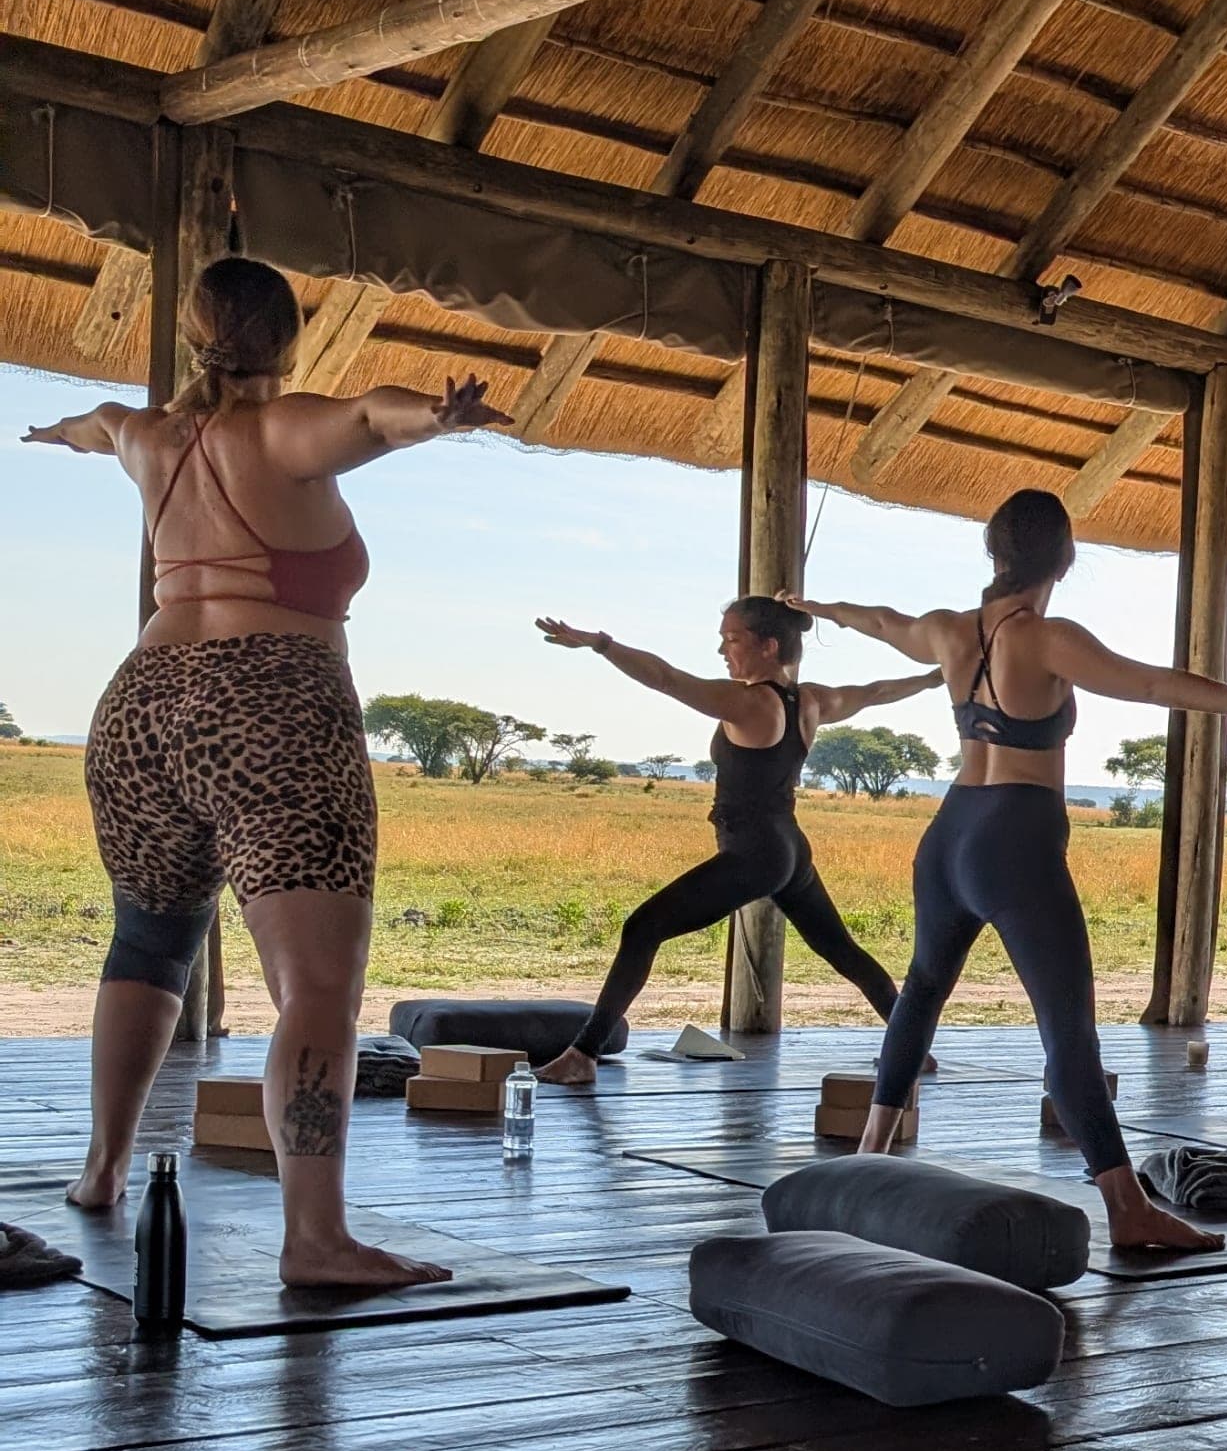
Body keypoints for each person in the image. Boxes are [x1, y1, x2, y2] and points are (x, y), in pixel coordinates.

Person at [28, 254, 506, 1285]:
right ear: (287, 341)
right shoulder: (278, 430)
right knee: (319, 985)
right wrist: (440, 413)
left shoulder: (152, 438)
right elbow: (372, 421)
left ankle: (102, 1170)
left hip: (142, 706)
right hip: (271, 707)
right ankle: (316, 1238)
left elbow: (96, 423)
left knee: (149, 944)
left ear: (201, 336)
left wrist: (51, 434)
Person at [785, 489, 1227, 1255]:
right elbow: (1152, 683)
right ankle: (1127, 1209)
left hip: (949, 835)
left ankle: (868, 1157)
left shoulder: (947, 630)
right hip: (1018, 839)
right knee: (1066, 1029)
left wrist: (822, 608)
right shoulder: (1044, 637)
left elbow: (880, 621)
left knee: (924, 989)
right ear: (1064, 558)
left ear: (992, 553)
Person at [529, 600, 946, 1086]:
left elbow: (665, 678)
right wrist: (934, 679)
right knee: (840, 949)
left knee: (642, 929)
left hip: (755, 852)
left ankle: (582, 1054)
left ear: (768, 647)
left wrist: (601, 644)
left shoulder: (750, 702)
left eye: (733, 639)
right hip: (788, 847)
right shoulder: (810, 700)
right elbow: (874, 691)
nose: (722, 650)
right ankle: (915, 1049)